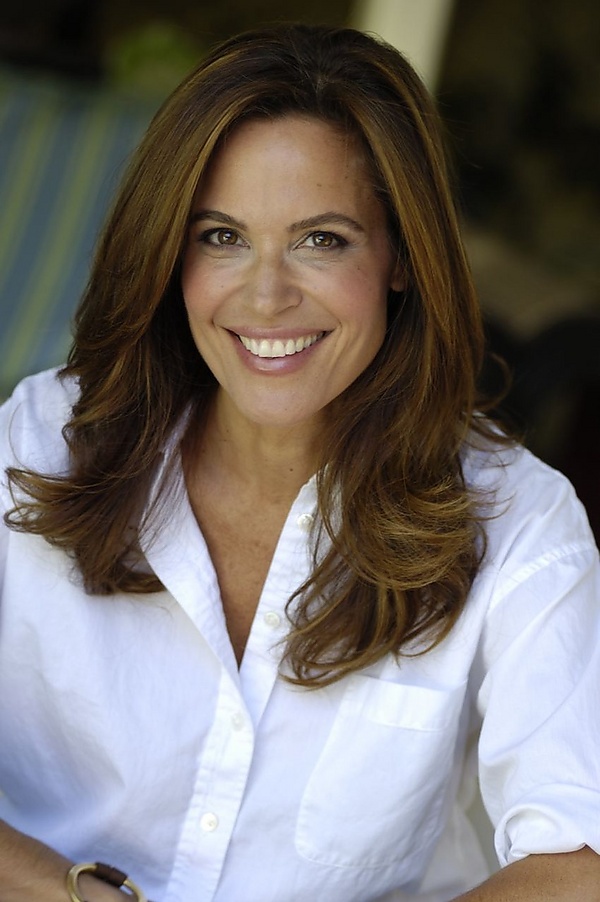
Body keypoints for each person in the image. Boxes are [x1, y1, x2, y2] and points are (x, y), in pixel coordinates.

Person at [0, 22, 599, 902]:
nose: (267, 294)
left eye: (322, 239)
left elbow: (579, 864)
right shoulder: (40, 442)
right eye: (221, 236)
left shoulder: (519, 525)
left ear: (401, 257)